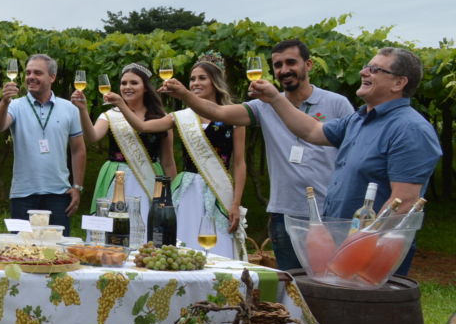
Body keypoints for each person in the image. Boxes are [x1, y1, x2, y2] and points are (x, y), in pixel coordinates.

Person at [160, 39, 353, 269]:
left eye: (291, 62)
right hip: (285, 214)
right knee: (292, 284)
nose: (284, 70)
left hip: (329, 213)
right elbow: (218, 111)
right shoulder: (264, 106)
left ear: (309, 64)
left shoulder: (337, 104)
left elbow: (352, 157)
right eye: (278, 65)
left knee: (332, 281)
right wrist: (185, 95)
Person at [247, 47, 440, 275]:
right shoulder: (359, 119)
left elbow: (404, 203)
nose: (363, 72)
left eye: (375, 69)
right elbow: (312, 130)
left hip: (372, 256)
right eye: (367, 66)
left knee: (367, 312)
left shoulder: (409, 129)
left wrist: (355, 251)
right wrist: (274, 98)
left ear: (398, 83)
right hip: (340, 243)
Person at [70, 63, 175, 223]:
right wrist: (83, 110)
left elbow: (168, 162)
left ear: (145, 87)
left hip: (150, 178)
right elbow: (92, 136)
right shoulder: (110, 115)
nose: (127, 87)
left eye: (134, 83)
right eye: (124, 83)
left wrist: (172, 195)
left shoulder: (162, 117)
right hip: (116, 176)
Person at [0, 54, 86, 227]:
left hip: (59, 194)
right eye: (28, 72)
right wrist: (4, 101)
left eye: (37, 73)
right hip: (23, 194)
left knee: (59, 249)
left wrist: (77, 187)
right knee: (20, 250)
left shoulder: (69, 109)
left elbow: (78, 149)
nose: (30, 77)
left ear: (52, 77)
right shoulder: (14, 106)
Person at [165, 55, 247, 258]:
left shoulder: (233, 115)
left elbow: (239, 163)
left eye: (202, 78)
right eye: (192, 79)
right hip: (188, 190)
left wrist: (236, 203)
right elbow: (143, 126)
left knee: (219, 246)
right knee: (183, 245)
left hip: (218, 190)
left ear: (215, 81)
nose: (195, 83)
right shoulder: (183, 117)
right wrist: (121, 104)